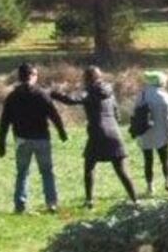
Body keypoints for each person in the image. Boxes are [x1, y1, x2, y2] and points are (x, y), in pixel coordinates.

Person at [53, 66, 138, 207]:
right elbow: (116, 113)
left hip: (98, 132)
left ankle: (89, 200)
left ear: (88, 78)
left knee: (89, 167)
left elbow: (71, 100)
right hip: (114, 132)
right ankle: (135, 200)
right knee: (122, 171)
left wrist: (54, 94)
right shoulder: (109, 91)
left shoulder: (89, 91)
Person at [0, 62, 67, 214]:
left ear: (19, 77)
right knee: (47, 172)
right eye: (36, 74)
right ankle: (51, 203)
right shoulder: (42, 94)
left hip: (22, 140)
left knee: (22, 173)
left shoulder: (12, 97)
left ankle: (20, 205)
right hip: (42, 139)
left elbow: (4, 122)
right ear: (32, 76)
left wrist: (0, 143)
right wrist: (62, 132)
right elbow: (54, 115)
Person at [134, 70, 168, 197]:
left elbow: (135, 113)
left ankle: (150, 187)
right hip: (161, 133)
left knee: (148, 160)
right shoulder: (164, 97)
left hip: (145, 132)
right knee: (164, 158)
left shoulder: (141, 95)